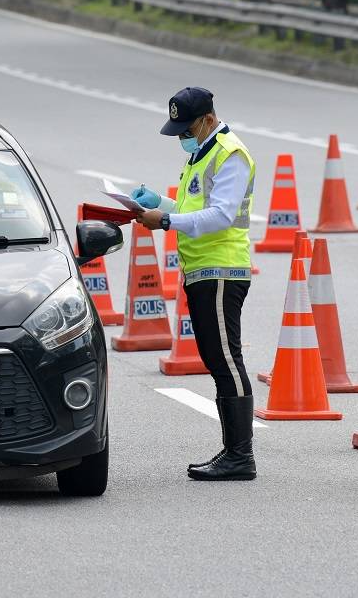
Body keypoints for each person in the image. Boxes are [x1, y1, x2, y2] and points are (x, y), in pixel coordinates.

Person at [131, 87, 257, 480]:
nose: (182, 136)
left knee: (226, 361)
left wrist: (165, 222)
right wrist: (160, 206)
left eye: (187, 127)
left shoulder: (230, 153)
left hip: (222, 270)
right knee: (217, 360)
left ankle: (240, 456)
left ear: (206, 119)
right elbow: (192, 210)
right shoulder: (200, 154)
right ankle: (233, 452)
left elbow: (220, 216)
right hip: (202, 270)